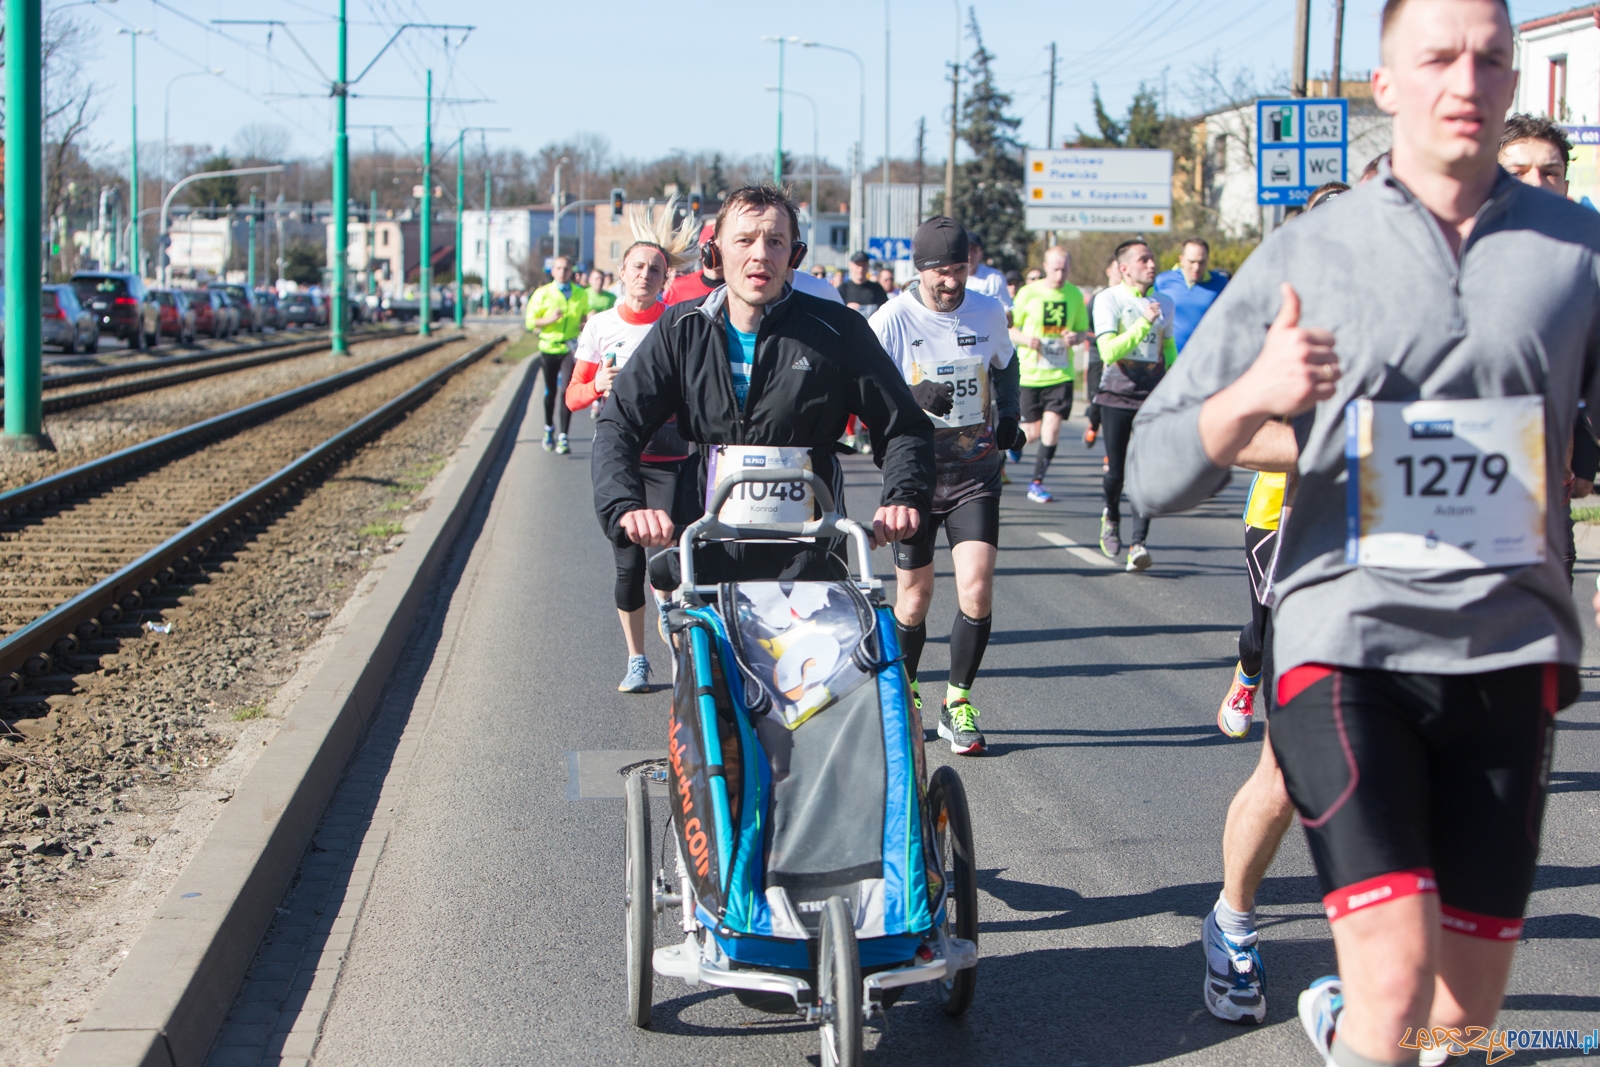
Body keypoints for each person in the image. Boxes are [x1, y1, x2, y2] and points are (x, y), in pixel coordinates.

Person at [1128, 3, 1597, 1065]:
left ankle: (1351, 1024)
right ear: (1383, 84)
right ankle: (1342, 999)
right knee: (1390, 983)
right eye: (1435, 57)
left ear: (1513, 78)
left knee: (1459, 1024)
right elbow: (1155, 466)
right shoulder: (1312, 250)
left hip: (1506, 650)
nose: (1464, 80)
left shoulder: (1576, 254)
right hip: (1346, 645)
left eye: (1488, 58)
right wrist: (1257, 386)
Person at [592, 184, 933, 595]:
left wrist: (902, 496)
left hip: (808, 553)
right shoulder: (681, 329)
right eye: (744, 240)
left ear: (794, 255)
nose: (760, 255)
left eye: (775, 241)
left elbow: (902, 425)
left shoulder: (838, 330)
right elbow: (619, 422)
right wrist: (627, 507)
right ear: (715, 253)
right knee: (706, 656)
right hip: (706, 548)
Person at [871, 216, 1022, 755]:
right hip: (912, 476)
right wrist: (913, 395)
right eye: (941, 272)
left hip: (975, 473)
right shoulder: (891, 318)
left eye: (960, 270)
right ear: (920, 270)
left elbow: (1005, 364)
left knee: (977, 588)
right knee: (914, 599)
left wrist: (1008, 414)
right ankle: (907, 692)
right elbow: (864, 393)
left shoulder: (986, 310)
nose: (951, 282)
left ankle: (956, 702)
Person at [566, 205, 698, 693]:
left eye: (655, 270)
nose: (645, 275)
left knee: (669, 562)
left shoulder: (680, 321)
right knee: (628, 564)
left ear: (666, 280)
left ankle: (678, 644)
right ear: (621, 272)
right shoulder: (600, 326)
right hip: (622, 458)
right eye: (637, 267)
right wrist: (597, 382)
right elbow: (573, 397)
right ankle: (636, 659)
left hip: (671, 456)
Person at [1496, 113, 1600, 585]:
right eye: (1518, 172)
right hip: (1456, 495)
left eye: (1550, 173)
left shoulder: (1585, 266)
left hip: (1549, 493)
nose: (1536, 183)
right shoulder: (1446, 262)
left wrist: (1586, 461)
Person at [1094, 238, 1175, 571]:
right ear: (1124, 268)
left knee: (1146, 474)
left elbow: (1168, 349)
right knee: (1116, 473)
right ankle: (1110, 515)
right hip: (1116, 395)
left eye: (1153, 258)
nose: (1152, 264)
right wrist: (1144, 322)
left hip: (1152, 397)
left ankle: (1138, 544)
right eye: (1144, 260)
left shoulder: (1164, 302)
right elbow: (1109, 352)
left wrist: (1176, 384)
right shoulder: (1108, 300)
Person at [1010, 246, 1090, 503]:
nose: (1060, 274)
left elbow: (1081, 333)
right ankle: (1008, 447)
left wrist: (1073, 337)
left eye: (1065, 268)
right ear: (1045, 267)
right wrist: (1026, 339)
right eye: (1056, 268)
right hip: (1031, 373)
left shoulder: (1074, 294)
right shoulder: (1029, 293)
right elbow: (1009, 329)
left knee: (1052, 428)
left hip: (1060, 373)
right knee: (1030, 434)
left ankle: (1036, 482)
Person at [526, 256, 589, 454]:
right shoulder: (543, 293)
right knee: (551, 391)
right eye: (559, 268)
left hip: (569, 348)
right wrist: (549, 319)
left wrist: (587, 323)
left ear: (571, 272)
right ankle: (548, 428)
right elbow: (530, 322)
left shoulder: (580, 294)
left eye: (566, 268)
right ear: (552, 271)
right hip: (548, 348)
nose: (563, 272)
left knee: (566, 392)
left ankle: (564, 436)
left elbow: (584, 318)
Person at [1153, 238, 1230, 353]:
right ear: (1181, 259)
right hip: (1169, 359)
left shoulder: (1220, 283)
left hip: (1205, 357)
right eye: (1191, 262)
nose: (1196, 268)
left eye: (1201, 262)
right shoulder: (1163, 281)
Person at [1081, 255, 1121, 451]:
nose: (1120, 271)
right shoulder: (1099, 298)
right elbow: (1086, 330)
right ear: (1108, 271)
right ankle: (1093, 423)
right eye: (1116, 267)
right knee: (1096, 400)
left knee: (1113, 406)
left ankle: (1110, 453)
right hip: (1099, 356)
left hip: (1120, 358)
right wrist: (1103, 337)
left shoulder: (1128, 298)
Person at [964, 230, 1013, 319]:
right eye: (965, 249)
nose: (969, 254)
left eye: (973, 249)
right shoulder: (950, 278)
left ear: (981, 254)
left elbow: (1008, 317)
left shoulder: (994, 277)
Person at [838, 250, 888, 315]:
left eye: (864, 265)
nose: (861, 269)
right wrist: (846, 309)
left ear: (868, 266)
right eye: (858, 265)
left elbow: (885, 310)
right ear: (850, 265)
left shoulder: (876, 288)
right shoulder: (843, 289)